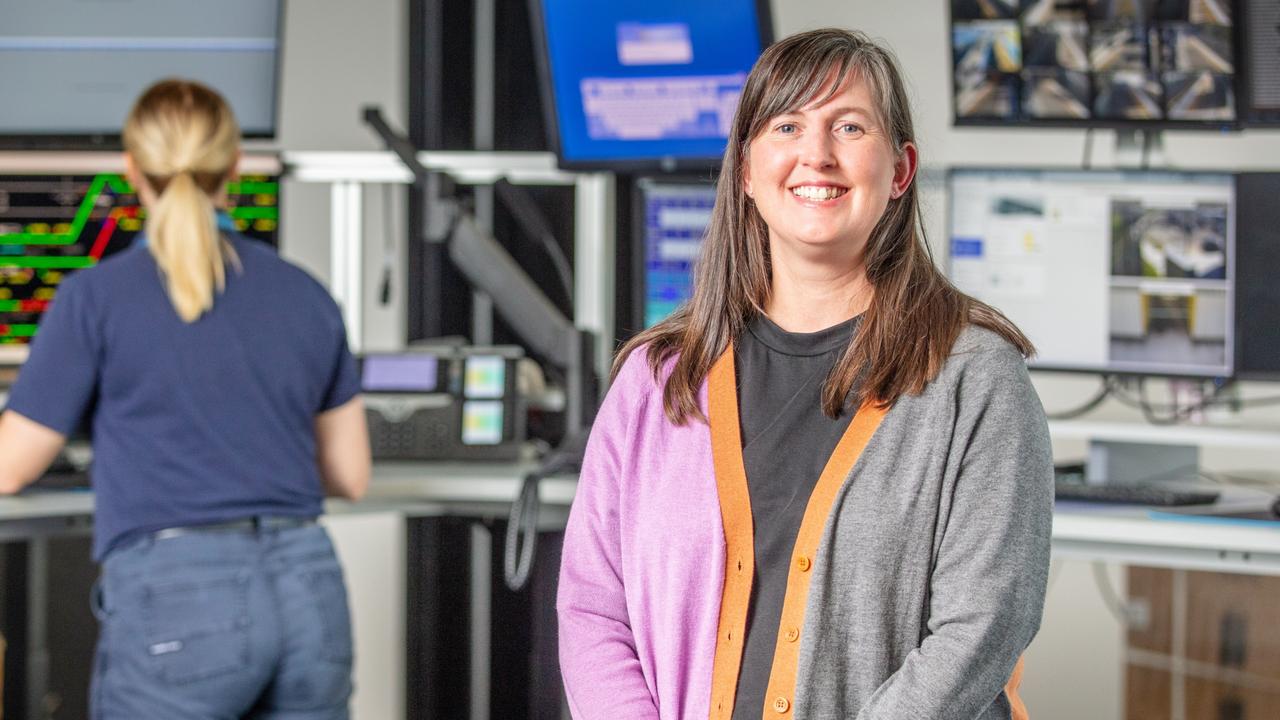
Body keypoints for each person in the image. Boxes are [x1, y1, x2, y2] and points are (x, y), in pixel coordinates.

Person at [557, 28, 1053, 720]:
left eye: (849, 126)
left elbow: (982, 627)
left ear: (901, 171)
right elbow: (592, 607)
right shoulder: (657, 379)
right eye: (787, 125)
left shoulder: (975, 380)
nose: (816, 154)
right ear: (748, 171)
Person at [0, 79, 371, 719]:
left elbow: (11, 467)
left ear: (131, 169)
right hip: (309, 587)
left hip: (180, 596)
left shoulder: (95, 298)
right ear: (234, 167)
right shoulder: (305, 294)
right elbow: (350, 476)